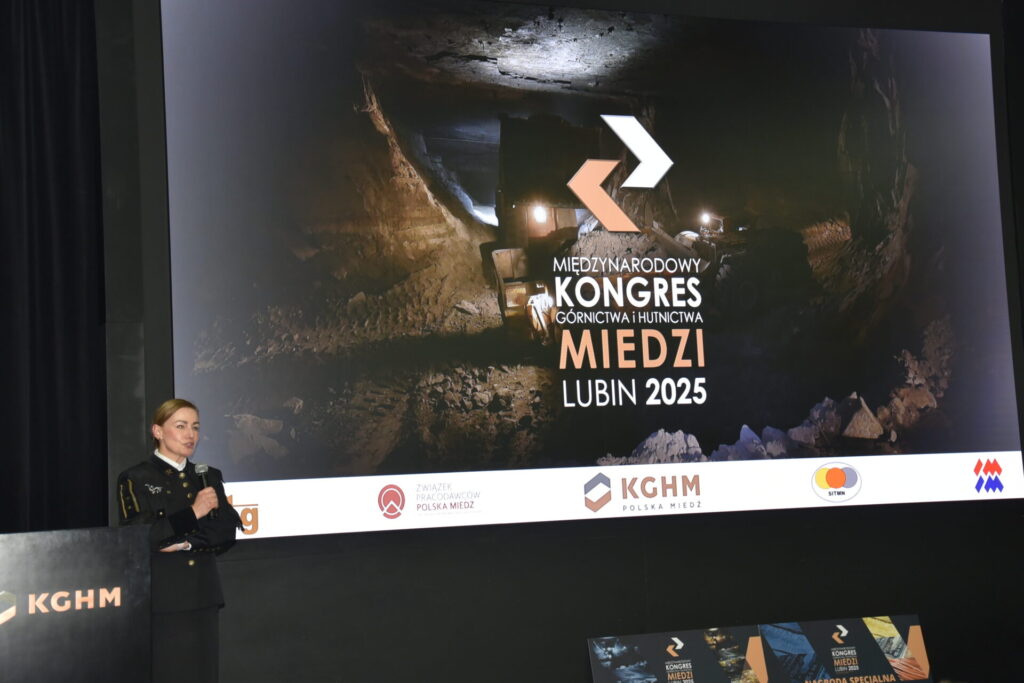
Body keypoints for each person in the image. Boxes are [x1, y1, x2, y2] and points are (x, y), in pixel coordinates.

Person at [116, 398, 242, 683]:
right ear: (158, 431)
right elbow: (140, 536)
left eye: (195, 427)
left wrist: (185, 543)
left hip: (204, 593)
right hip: (164, 597)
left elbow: (226, 531)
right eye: (181, 426)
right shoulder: (135, 478)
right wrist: (194, 513)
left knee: (204, 672)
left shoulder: (208, 476)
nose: (190, 435)